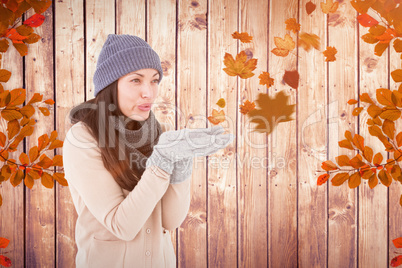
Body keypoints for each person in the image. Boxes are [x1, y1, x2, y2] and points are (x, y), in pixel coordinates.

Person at [62, 34, 234, 268]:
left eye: (154, 80)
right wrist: (162, 160)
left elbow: (170, 221)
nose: (149, 93)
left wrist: (182, 160)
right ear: (111, 85)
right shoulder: (83, 138)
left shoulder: (159, 133)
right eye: (136, 80)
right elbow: (122, 225)